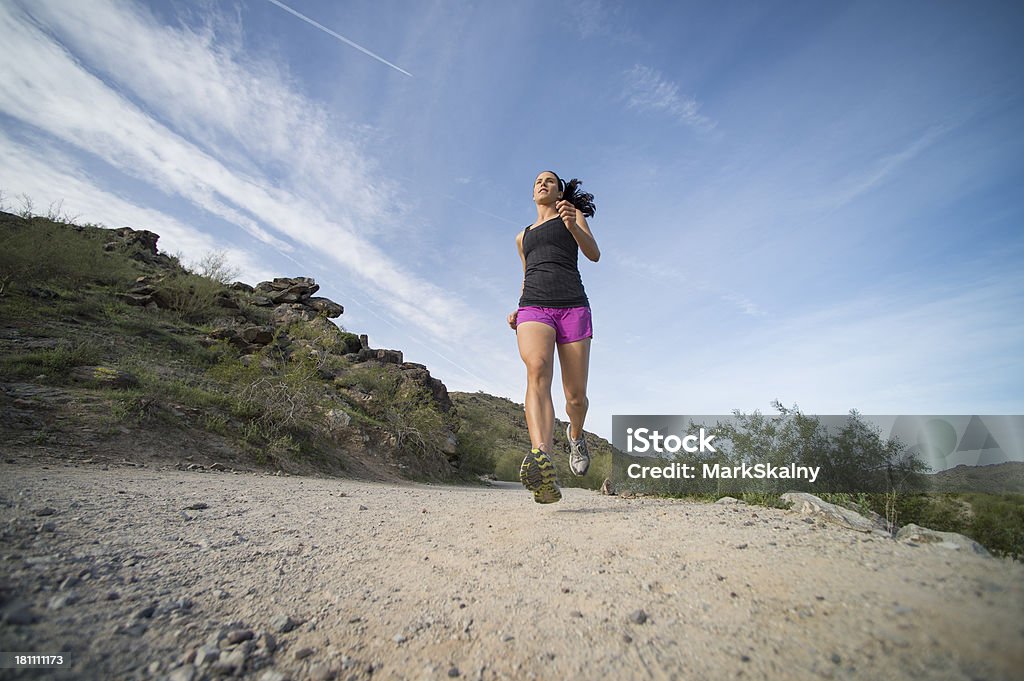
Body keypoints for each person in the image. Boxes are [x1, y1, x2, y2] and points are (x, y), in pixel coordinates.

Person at [507, 170, 600, 504]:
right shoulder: (523, 236)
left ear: (559, 189)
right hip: (533, 307)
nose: (542, 183)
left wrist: (574, 225)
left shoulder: (570, 216)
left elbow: (593, 253)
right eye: (536, 181)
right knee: (537, 369)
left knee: (575, 396)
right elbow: (527, 274)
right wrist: (519, 307)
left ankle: (575, 434)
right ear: (533, 193)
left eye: (549, 180)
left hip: (572, 306)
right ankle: (541, 458)